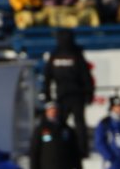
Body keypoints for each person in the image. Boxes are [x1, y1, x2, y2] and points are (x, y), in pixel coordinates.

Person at [41, 28, 95, 156]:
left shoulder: (54, 55)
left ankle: (59, 147)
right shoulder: (76, 54)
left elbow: (47, 78)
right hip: (77, 95)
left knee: (60, 124)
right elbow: (86, 76)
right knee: (80, 124)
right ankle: (83, 151)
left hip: (62, 96)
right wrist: (89, 94)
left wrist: (48, 96)